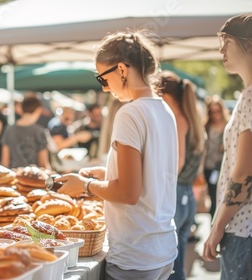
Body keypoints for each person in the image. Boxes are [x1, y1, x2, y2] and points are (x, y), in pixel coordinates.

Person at [55, 31, 178, 280]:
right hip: (162, 247)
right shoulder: (164, 109)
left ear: (121, 69)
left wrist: (86, 186)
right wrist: (107, 173)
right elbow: (153, 174)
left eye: (103, 78)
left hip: (136, 254)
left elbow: (128, 193)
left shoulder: (129, 113)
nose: (104, 87)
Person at [203, 14, 252, 280]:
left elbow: (244, 174)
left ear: (249, 44)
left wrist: (218, 226)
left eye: (226, 40)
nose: (221, 48)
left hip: (244, 229)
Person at [158, 71, 205, 280]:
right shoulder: (191, 118)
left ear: (165, 95)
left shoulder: (177, 119)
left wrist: (160, 189)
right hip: (187, 197)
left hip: (176, 194)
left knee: (172, 265)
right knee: (179, 262)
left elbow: (177, 162)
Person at [0, 95, 50, 169]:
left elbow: (4, 161)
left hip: (14, 177)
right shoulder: (39, 131)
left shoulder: (9, 129)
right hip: (34, 177)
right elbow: (43, 163)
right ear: (38, 110)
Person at [202, 95, 229, 219]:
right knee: (213, 198)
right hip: (209, 167)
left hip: (224, 167)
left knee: (225, 198)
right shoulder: (206, 126)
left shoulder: (228, 126)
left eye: (217, 111)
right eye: (212, 111)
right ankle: (212, 228)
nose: (215, 114)